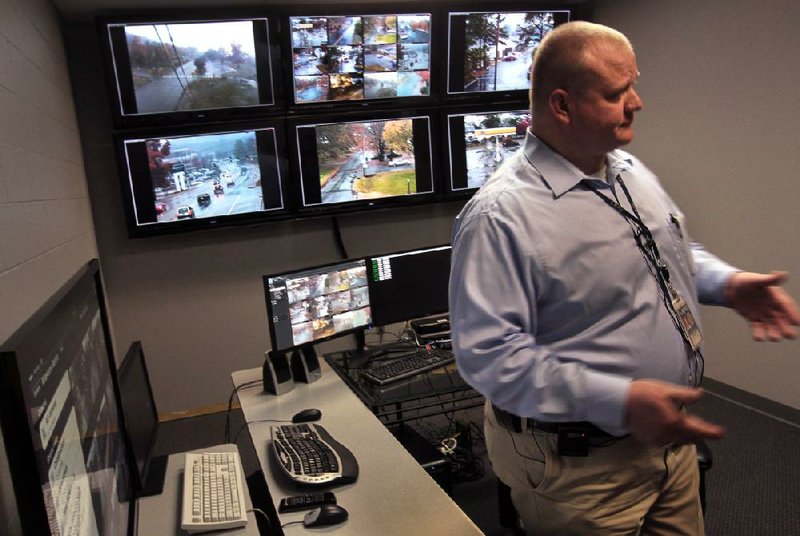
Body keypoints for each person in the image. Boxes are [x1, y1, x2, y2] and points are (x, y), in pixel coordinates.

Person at [448, 21, 800, 535]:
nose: (637, 102)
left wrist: (729, 284)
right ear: (562, 106)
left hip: (665, 444)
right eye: (617, 93)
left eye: (634, 85)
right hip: (579, 469)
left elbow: (668, 256)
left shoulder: (627, 170)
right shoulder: (501, 217)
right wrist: (617, 400)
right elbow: (489, 355)